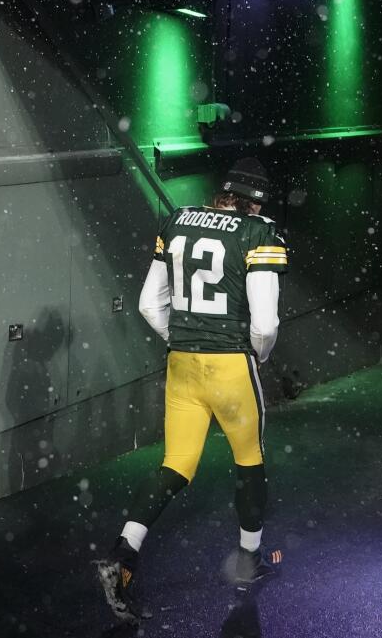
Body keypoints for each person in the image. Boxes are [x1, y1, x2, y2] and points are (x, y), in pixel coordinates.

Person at [94, 158, 288, 624]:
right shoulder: (259, 233)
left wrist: (182, 339)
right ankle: (249, 559)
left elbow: (147, 304)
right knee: (250, 460)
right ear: (255, 200)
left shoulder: (179, 221)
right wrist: (253, 356)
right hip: (230, 365)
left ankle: (124, 556)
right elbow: (264, 324)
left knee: (175, 465)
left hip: (182, 364)